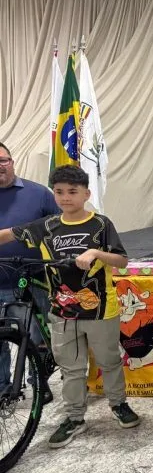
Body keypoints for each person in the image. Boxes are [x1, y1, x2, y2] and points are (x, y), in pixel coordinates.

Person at [0, 165, 139, 448]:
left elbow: (122, 260)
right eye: (59, 192)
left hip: (101, 309)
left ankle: (119, 404)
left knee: (109, 361)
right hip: (62, 311)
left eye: (72, 192)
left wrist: (96, 253)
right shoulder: (47, 225)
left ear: (86, 194)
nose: (65, 197)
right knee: (71, 368)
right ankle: (74, 417)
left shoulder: (101, 224)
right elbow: (10, 234)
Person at [0, 141, 60, 399]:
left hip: (32, 280)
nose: (0, 166)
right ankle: (3, 389)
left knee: (38, 337)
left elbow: (61, 226)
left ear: (12, 162)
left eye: (3, 160)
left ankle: (39, 383)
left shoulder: (39, 194)